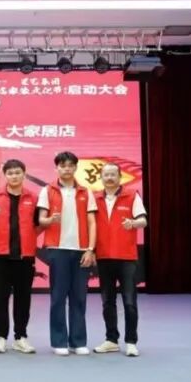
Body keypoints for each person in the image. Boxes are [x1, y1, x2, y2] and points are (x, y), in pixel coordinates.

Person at [38, 151, 97, 357]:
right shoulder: (47, 190)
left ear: (75, 168)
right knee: (58, 297)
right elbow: (41, 219)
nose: (67, 169)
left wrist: (90, 249)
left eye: (70, 165)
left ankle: (78, 341)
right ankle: (59, 341)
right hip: (57, 250)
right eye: (63, 166)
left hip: (81, 250)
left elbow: (92, 222)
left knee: (79, 297)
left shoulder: (86, 192)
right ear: (57, 168)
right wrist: (50, 220)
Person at [0, 159, 40, 355]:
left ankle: (20, 337)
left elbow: (39, 224)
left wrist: (29, 238)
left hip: (25, 257)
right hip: (0, 256)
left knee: (23, 299)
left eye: (17, 173)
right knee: (0, 298)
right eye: (10, 173)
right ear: (5, 175)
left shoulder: (33, 197)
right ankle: (1, 338)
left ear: (24, 174)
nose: (14, 176)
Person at [91, 163, 147, 358]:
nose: (109, 178)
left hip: (126, 258)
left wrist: (133, 223)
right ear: (101, 178)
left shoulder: (132, 196)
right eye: (106, 175)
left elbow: (143, 220)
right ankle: (111, 340)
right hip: (104, 257)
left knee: (129, 302)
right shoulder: (94, 198)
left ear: (120, 177)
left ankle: (131, 342)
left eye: (113, 174)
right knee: (107, 302)